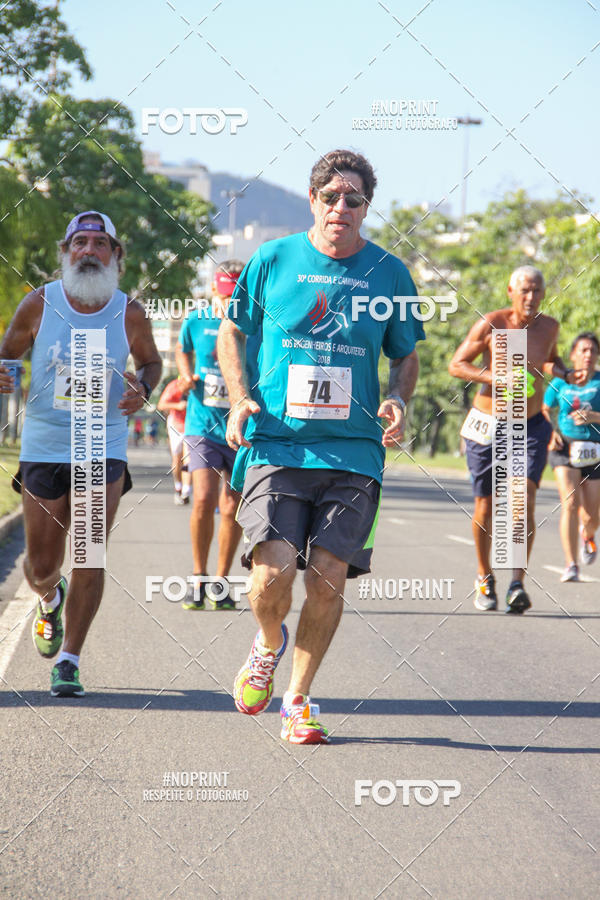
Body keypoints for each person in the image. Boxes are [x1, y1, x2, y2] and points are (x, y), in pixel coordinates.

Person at [218, 149, 424, 744]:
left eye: (353, 199)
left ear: (366, 208)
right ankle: (267, 640)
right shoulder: (273, 258)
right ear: (313, 201)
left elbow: (405, 351)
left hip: (354, 451)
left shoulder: (389, 273)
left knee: (328, 576)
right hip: (278, 444)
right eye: (330, 197)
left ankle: (299, 699)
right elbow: (235, 329)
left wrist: (399, 399)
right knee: (270, 577)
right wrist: (239, 396)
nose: (341, 208)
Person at [0, 210, 161, 696]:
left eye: (99, 243)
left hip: (102, 442)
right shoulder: (37, 304)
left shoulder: (129, 312)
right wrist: (5, 371)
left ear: (116, 257)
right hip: (45, 442)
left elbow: (151, 362)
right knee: (40, 563)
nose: (88, 251)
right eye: (80, 242)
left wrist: (143, 386)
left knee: (90, 552)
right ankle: (49, 596)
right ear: (65, 253)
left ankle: (69, 658)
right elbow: (7, 356)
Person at [448, 265, 583, 613]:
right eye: (524, 290)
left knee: (522, 504)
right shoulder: (491, 323)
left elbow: (548, 361)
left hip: (531, 425)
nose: (531, 297)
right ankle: (484, 576)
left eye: (537, 290)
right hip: (490, 424)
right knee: (487, 506)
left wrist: (565, 372)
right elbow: (457, 364)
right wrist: (496, 377)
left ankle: (516, 583)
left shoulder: (550, 327)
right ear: (510, 290)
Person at [176, 260, 246, 611]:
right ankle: (198, 577)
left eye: (235, 295)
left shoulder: (254, 323)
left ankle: (220, 582)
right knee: (203, 498)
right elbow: (181, 350)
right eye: (224, 295)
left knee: (232, 506)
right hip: (202, 425)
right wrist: (187, 375)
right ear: (214, 290)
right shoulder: (197, 319)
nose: (228, 303)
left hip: (241, 428)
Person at [543, 332, 600, 582]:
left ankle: (587, 534)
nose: (588, 355)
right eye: (584, 350)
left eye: (593, 351)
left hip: (594, 449)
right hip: (564, 447)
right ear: (573, 354)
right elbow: (545, 408)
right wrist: (550, 431)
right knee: (570, 504)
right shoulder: (560, 382)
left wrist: (595, 417)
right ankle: (571, 564)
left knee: (591, 515)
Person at [157, 377, 192, 505]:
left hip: (191, 426)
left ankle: (186, 492)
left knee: (189, 458)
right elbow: (161, 405)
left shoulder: (197, 385)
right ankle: (178, 486)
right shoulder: (173, 386)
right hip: (175, 425)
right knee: (177, 459)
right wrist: (178, 405)